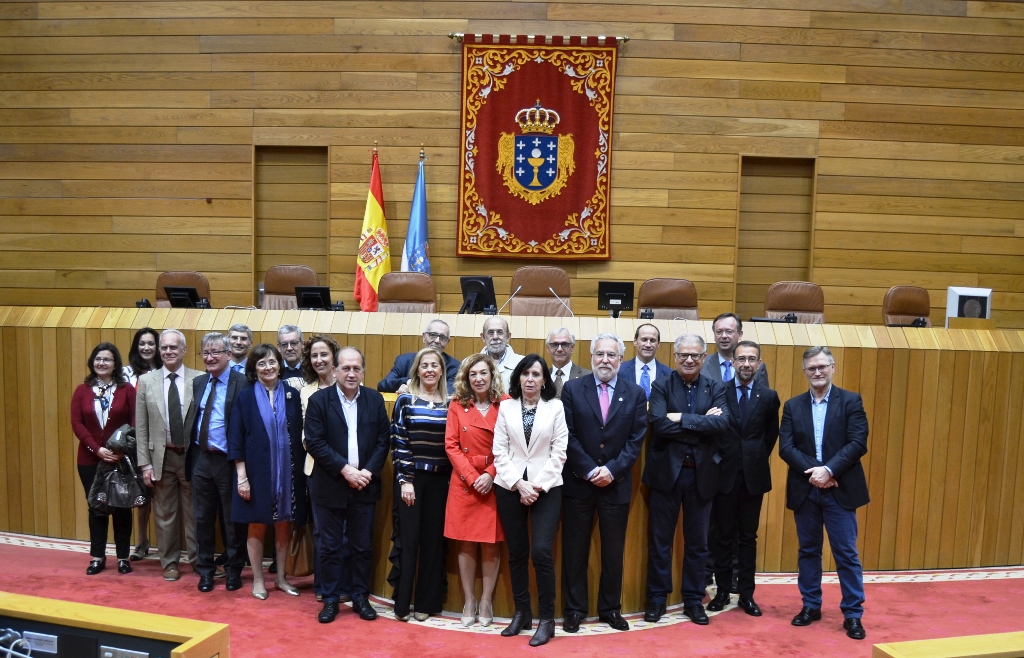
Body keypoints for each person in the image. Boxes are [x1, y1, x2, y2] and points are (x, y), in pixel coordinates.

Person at [779, 346, 869, 641]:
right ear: (805, 372)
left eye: (822, 367)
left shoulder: (851, 401)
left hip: (839, 489)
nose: (817, 372)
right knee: (808, 551)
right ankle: (811, 606)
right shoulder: (793, 406)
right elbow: (786, 448)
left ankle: (853, 614)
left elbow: (858, 443)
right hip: (806, 491)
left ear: (832, 367)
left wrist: (829, 471)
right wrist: (816, 473)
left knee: (846, 553)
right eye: (811, 368)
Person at [560, 333, 647, 633]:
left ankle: (610, 609)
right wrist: (588, 469)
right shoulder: (572, 389)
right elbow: (567, 435)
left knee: (612, 553)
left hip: (616, 483)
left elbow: (635, 440)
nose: (605, 360)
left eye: (611, 355)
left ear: (621, 360)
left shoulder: (635, 393)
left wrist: (611, 470)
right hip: (578, 483)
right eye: (600, 354)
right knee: (574, 552)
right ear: (591, 357)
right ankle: (574, 610)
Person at [642, 333, 729, 625]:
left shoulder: (715, 387)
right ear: (675, 357)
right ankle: (657, 599)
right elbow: (659, 424)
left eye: (695, 355)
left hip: (702, 476)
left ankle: (693, 600)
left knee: (698, 544)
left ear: (704, 358)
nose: (689, 360)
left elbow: (721, 424)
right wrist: (700, 423)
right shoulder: (661, 385)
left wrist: (681, 417)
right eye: (683, 355)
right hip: (667, 474)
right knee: (660, 541)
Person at [304, 347, 390, 624]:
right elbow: (315, 442)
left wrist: (365, 472)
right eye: (346, 368)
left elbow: (382, 441)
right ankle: (330, 599)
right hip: (330, 484)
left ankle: (360, 597)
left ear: (363, 371)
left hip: (364, 485)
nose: (351, 373)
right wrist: (346, 470)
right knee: (329, 547)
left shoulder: (375, 400)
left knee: (361, 547)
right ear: (335, 371)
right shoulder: (319, 400)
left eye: (356, 368)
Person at [493, 354, 567, 647]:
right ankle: (522, 612)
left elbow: (560, 451)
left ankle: (546, 620)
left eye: (536, 374)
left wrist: (535, 485)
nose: (530, 380)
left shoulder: (555, 407)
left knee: (541, 552)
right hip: (510, 486)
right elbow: (499, 450)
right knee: (517, 552)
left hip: (546, 487)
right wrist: (518, 484)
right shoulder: (506, 407)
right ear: (518, 378)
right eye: (525, 374)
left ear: (544, 379)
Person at [706, 340, 780, 617]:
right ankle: (723, 591)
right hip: (724, 475)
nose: (746, 364)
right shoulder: (719, 392)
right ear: (733, 363)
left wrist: (754, 457)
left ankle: (746, 595)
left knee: (748, 538)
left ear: (759, 364)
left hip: (754, 477)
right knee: (723, 536)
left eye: (752, 359)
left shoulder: (769, 396)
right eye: (741, 359)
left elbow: (770, 435)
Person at [228, 343, 307, 600]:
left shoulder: (292, 395)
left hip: (288, 473)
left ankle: (281, 578)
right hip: (256, 473)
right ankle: (259, 580)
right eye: (261, 363)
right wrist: (242, 477)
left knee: (284, 523)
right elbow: (236, 437)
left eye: (272, 361)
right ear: (254, 368)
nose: (268, 367)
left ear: (279, 364)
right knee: (257, 525)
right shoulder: (246, 396)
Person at [444, 354, 508, 628]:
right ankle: (469, 600)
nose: (479, 378)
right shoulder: (458, 405)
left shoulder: (505, 404)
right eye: (473, 374)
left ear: (492, 376)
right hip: (464, 481)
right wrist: (473, 477)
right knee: (466, 542)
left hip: (496, 479)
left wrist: (490, 475)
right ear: (466, 379)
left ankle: (486, 601)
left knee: (491, 543)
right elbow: (451, 445)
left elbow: (512, 445)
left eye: (484, 373)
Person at [388, 348, 451, 622]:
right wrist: (406, 480)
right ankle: (403, 604)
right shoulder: (405, 400)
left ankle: (426, 603)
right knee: (410, 540)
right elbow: (399, 441)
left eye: (434, 365)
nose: (429, 370)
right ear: (417, 370)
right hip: (411, 481)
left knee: (433, 543)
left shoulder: (452, 403)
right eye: (424, 365)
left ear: (441, 371)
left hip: (441, 482)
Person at [136, 329, 201, 582]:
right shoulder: (146, 381)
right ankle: (170, 562)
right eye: (164, 348)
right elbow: (141, 427)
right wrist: (145, 464)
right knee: (165, 515)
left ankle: (199, 561)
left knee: (196, 513)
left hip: (191, 458)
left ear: (184, 350)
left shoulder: (199, 379)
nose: (168, 352)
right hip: (161, 458)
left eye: (174, 347)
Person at [187, 332, 248, 593]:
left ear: (228, 355)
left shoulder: (242, 382)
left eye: (215, 353)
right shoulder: (199, 382)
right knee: (202, 518)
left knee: (231, 519)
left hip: (228, 461)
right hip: (202, 458)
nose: (210, 358)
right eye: (206, 353)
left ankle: (234, 570)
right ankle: (206, 571)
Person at [70, 342, 136, 576]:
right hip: (89, 459)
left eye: (107, 359)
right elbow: (77, 423)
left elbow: (135, 423)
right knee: (96, 507)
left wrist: (123, 451)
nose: (101, 363)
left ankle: (123, 557)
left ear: (115, 363)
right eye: (98, 359)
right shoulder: (82, 390)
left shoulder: (127, 389)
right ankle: (97, 557)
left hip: (119, 459)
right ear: (92, 362)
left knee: (121, 507)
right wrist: (96, 449)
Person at [298, 334, 348, 604]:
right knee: (322, 531)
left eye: (324, 355)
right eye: (314, 356)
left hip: (351, 469)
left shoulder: (352, 384)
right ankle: (324, 585)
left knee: (346, 532)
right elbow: (307, 438)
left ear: (334, 358)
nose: (319, 360)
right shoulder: (307, 392)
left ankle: (346, 585)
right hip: (317, 469)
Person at [122, 327, 160, 562]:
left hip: (160, 441)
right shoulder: (126, 374)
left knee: (161, 494)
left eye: (151, 343)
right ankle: (141, 541)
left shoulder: (165, 370)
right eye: (142, 343)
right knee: (140, 494)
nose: (146, 347)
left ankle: (163, 544)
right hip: (134, 442)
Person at [377, 319, 461, 394]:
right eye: (433, 335)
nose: (437, 341)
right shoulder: (404, 361)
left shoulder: (455, 367)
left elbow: (449, 392)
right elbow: (383, 385)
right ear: (424, 337)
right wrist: (408, 381)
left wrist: (414, 387)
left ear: (447, 342)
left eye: (442, 337)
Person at [705, 313, 770, 387]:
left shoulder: (758, 366)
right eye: (719, 332)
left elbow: (764, 396)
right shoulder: (703, 364)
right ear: (714, 335)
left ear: (740, 334)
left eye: (729, 331)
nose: (724, 336)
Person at [618, 323, 672, 400]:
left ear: (658, 344)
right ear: (635, 341)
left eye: (652, 340)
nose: (648, 345)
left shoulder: (669, 375)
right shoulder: (620, 371)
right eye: (644, 340)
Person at [544, 327, 591, 398]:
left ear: (572, 348)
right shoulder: (542, 376)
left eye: (564, 344)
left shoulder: (588, 376)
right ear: (548, 348)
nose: (559, 349)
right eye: (555, 345)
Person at [480, 316, 522, 390]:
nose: (495, 337)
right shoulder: (469, 364)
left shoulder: (523, 363)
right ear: (483, 337)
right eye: (491, 333)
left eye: (500, 332)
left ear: (508, 337)